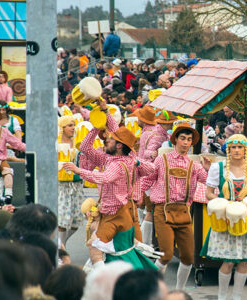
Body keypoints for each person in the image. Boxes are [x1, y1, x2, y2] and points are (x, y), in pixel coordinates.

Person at [63, 102, 156, 270]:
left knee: (112, 249)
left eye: (110, 138)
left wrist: (78, 170)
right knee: (117, 250)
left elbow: (106, 177)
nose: (107, 138)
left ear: (119, 145)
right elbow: (85, 147)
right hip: (113, 211)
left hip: (124, 211)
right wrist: (97, 126)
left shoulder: (123, 161)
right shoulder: (108, 157)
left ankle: (110, 279)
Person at [141, 123, 210, 290]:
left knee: (188, 257)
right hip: (162, 210)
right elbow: (147, 180)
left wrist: (209, 170)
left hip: (183, 212)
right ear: (175, 140)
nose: (186, 142)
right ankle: (153, 289)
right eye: (182, 138)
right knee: (166, 254)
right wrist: (133, 195)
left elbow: (210, 182)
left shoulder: (194, 165)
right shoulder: (162, 159)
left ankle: (179, 292)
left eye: (189, 139)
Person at [202, 134, 247, 300]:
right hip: (225, 218)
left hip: (246, 221)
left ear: (246, 150)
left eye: (240, 147)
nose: (237, 151)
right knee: (228, 261)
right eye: (233, 148)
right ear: (228, 150)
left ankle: (237, 297)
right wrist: (226, 203)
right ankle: (222, 297)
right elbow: (208, 194)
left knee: (244, 262)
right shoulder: (218, 168)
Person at [134, 105, 162, 245]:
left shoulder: (148, 133)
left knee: (146, 210)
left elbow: (146, 153)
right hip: (147, 174)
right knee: (147, 209)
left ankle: (144, 242)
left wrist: (151, 154)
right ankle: (145, 242)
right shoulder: (155, 132)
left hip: (145, 174)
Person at [56, 115, 84, 249]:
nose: (73, 128)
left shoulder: (78, 142)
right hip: (62, 185)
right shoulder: (56, 144)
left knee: (76, 221)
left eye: (74, 125)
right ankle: (61, 249)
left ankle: (62, 244)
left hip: (77, 184)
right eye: (70, 125)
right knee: (62, 218)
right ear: (62, 128)